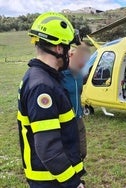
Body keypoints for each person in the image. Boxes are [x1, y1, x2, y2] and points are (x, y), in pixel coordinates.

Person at [17, 12, 86, 187]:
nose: (71, 53)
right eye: (68, 46)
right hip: (51, 180)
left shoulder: (46, 78)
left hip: (55, 177)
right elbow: (48, 149)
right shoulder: (43, 87)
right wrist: (73, 183)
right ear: (58, 48)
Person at [61, 42, 90, 160]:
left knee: (82, 152)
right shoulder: (60, 75)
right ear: (70, 57)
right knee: (69, 152)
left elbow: (79, 92)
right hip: (65, 120)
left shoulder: (78, 75)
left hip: (78, 117)